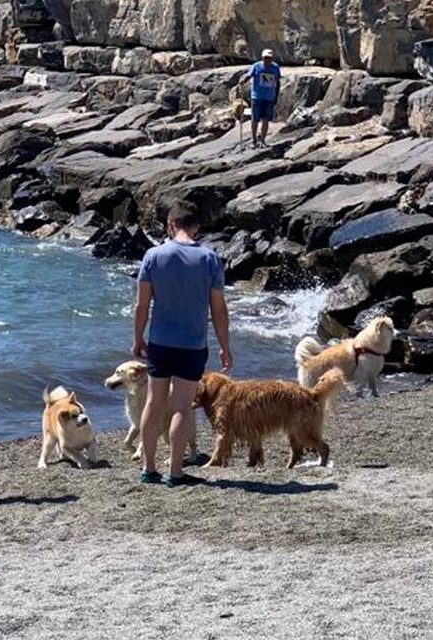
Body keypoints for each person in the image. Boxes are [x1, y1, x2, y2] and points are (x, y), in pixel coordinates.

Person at [133, 205, 232, 487]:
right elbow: (219, 310)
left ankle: (148, 468)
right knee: (182, 408)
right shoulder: (209, 259)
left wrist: (138, 338)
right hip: (192, 344)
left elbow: (142, 305)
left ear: (170, 224)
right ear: (196, 227)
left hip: (160, 342)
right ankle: (175, 472)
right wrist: (225, 346)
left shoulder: (153, 256)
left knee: (153, 403)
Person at [247, 48, 281, 147]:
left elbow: (277, 81)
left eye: (269, 58)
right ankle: (254, 141)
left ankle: (262, 140)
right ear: (262, 58)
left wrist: (276, 96)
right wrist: (244, 79)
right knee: (255, 119)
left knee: (266, 120)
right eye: (266, 58)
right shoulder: (256, 66)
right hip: (257, 97)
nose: (267, 60)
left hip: (269, 98)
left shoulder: (275, 67)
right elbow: (249, 75)